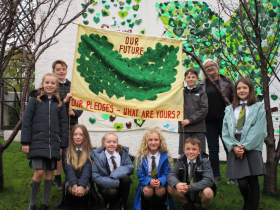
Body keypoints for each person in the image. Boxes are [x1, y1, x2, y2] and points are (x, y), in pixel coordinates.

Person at [21, 73, 68, 210]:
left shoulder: (59, 103)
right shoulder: (35, 100)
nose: (49, 85)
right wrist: (25, 142)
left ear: (56, 86)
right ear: (43, 84)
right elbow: (27, 121)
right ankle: (32, 203)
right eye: (47, 82)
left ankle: (44, 204)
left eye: (53, 83)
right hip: (37, 142)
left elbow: (64, 125)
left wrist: (62, 145)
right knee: (39, 172)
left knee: (48, 173)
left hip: (53, 143)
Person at [222, 78, 266, 210]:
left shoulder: (258, 108)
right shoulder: (230, 109)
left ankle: (253, 207)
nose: (242, 90)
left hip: (251, 146)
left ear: (250, 90)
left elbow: (258, 130)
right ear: (236, 91)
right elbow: (225, 130)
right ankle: (247, 201)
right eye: (239, 88)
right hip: (235, 144)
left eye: (245, 88)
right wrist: (234, 147)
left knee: (253, 181)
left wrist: (245, 146)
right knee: (242, 182)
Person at [198, 58, 235, 184]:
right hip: (209, 122)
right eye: (206, 66)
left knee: (229, 148)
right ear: (204, 70)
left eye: (211, 65)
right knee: (213, 149)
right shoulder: (202, 84)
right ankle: (216, 176)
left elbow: (233, 98)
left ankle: (233, 176)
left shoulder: (226, 81)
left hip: (225, 121)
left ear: (216, 66)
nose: (209, 68)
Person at [52, 60, 83, 190]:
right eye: (58, 69)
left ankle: (72, 175)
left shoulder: (73, 86)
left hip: (73, 124)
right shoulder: (52, 86)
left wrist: (74, 112)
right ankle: (57, 178)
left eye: (63, 69)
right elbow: (52, 107)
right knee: (60, 152)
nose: (61, 71)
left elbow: (80, 104)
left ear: (66, 70)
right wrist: (65, 102)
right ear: (54, 71)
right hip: (59, 123)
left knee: (73, 150)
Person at [167, 136, 216, 210]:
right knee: (170, 187)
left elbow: (208, 180)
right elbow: (171, 175)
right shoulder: (180, 160)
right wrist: (177, 184)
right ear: (184, 150)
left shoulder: (205, 161)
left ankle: (203, 207)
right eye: (188, 149)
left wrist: (189, 188)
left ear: (199, 151)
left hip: (200, 191)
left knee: (208, 192)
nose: (191, 152)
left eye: (194, 149)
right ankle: (188, 205)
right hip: (185, 191)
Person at [133, 129, 175, 210]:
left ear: (160, 141)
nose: (153, 142)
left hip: (161, 183)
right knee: (148, 191)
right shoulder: (141, 157)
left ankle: (158, 204)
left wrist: (160, 181)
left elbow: (167, 173)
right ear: (146, 141)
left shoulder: (165, 156)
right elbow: (140, 175)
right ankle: (149, 205)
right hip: (146, 183)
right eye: (150, 140)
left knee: (160, 190)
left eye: (156, 140)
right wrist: (149, 181)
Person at [91, 133, 134, 210]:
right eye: (108, 142)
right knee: (112, 192)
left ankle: (123, 203)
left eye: (114, 142)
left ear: (117, 143)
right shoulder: (99, 157)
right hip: (106, 185)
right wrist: (112, 182)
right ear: (103, 144)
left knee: (126, 177)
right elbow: (95, 176)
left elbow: (130, 167)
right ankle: (108, 201)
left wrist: (115, 175)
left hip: (121, 183)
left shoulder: (122, 154)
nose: (111, 144)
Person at [61, 124, 94, 208]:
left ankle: (84, 204)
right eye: (75, 134)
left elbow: (87, 171)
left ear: (85, 137)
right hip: (71, 180)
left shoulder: (90, 152)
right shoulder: (67, 151)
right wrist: (74, 185)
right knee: (71, 189)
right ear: (72, 136)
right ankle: (72, 204)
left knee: (86, 189)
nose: (78, 137)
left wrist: (82, 186)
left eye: (81, 134)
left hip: (85, 180)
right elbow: (68, 170)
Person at [178, 68, 208, 155]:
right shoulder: (180, 93)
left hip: (198, 128)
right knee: (184, 154)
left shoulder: (202, 93)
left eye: (193, 77)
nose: (191, 79)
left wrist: (190, 120)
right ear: (185, 79)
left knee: (199, 153)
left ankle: (199, 169)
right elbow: (175, 105)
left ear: (197, 79)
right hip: (184, 128)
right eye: (188, 77)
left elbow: (204, 109)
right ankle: (184, 169)